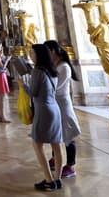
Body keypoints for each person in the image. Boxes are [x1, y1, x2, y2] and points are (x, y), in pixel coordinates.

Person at [18, 43, 64, 192]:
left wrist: (22, 84)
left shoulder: (38, 71)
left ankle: (49, 180)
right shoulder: (52, 70)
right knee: (56, 145)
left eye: (32, 53)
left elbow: (33, 93)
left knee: (37, 144)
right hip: (54, 109)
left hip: (43, 110)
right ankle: (58, 179)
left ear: (39, 55)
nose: (31, 55)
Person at [46, 40, 81, 179]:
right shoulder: (56, 65)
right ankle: (55, 159)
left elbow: (57, 86)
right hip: (55, 102)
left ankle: (71, 166)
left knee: (68, 134)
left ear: (53, 51)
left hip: (63, 103)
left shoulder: (64, 67)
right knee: (56, 132)